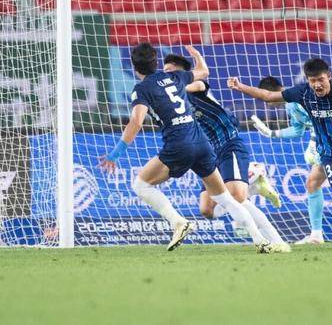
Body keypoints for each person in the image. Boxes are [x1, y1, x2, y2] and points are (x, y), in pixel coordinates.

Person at [99, 43, 272, 253]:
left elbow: (136, 121)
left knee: (140, 185)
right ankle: (260, 240)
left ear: (135, 68)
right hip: (202, 143)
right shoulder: (175, 77)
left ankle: (178, 222)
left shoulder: (142, 89)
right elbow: (204, 72)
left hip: (178, 145)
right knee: (225, 199)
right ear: (156, 62)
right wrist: (197, 56)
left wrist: (115, 154)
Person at [228, 58, 332, 251]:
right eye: (313, 81)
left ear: (329, 76)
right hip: (330, 154)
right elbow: (269, 96)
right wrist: (241, 86)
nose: (317, 85)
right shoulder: (302, 93)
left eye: (321, 80)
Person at [162, 54, 289, 253]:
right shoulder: (174, 102)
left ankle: (277, 241)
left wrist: (196, 60)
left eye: (171, 72)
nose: (167, 76)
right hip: (208, 153)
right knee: (207, 209)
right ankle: (253, 185)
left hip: (229, 144)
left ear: (183, 73)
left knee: (237, 197)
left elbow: (197, 80)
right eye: (165, 72)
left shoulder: (197, 86)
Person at [252, 76, 332, 248]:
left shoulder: (298, 99)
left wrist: (314, 144)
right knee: (317, 185)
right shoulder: (292, 104)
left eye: (266, 99)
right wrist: (272, 133)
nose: (268, 104)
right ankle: (327, 235)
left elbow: (323, 119)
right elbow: (298, 130)